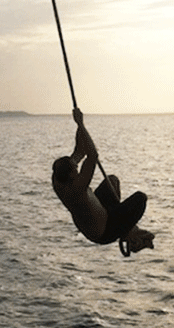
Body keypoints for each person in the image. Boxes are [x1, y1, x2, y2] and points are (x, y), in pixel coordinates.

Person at [52, 108, 154, 254]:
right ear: (71, 178)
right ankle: (127, 234)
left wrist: (80, 126)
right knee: (140, 198)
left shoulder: (58, 179)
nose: (77, 169)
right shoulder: (77, 189)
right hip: (105, 231)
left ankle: (126, 227)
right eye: (76, 172)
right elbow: (92, 155)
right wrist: (80, 122)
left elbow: (80, 151)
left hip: (101, 212)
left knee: (112, 180)